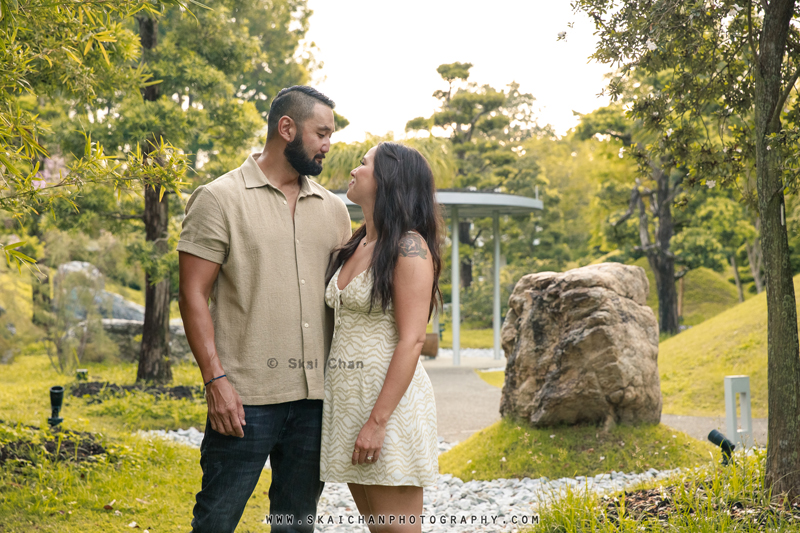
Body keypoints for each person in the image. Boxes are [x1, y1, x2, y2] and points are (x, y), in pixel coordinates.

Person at [177, 85, 351, 533]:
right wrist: (215, 381)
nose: (327, 145)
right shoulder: (218, 198)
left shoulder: (334, 210)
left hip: (315, 402)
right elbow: (192, 295)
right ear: (286, 128)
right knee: (216, 521)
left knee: (295, 525)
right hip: (244, 399)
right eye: (321, 133)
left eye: (330, 135)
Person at [320, 142, 442, 532]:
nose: (354, 171)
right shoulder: (358, 243)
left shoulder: (409, 247)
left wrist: (377, 422)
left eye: (363, 164)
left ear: (388, 179)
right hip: (351, 405)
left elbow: (412, 340)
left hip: (389, 410)